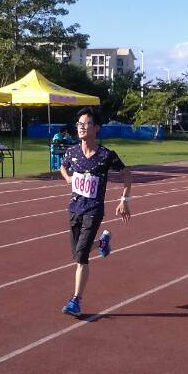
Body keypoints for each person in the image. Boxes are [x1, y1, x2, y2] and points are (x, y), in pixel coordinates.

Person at [58, 107, 133, 317]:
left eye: (86, 124)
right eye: (79, 124)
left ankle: (76, 301)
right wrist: (68, 178)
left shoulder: (106, 155)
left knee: (81, 257)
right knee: (77, 252)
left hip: (93, 210)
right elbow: (63, 167)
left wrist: (124, 200)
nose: (81, 127)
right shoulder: (72, 152)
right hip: (74, 209)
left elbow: (127, 175)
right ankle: (101, 243)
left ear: (96, 128)